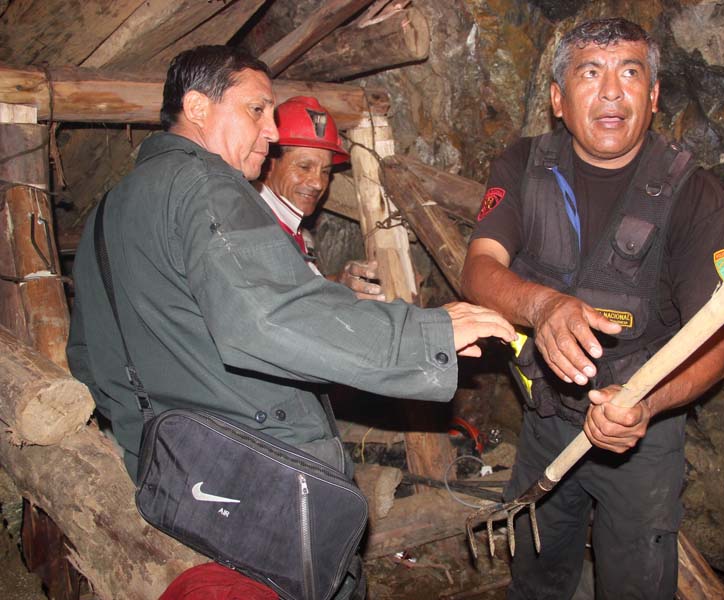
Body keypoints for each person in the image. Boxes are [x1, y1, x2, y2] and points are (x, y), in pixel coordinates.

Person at [66, 45, 514, 599]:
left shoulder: (104, 215)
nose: (273, 131)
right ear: (198, 107)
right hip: (261, 485)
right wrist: (429, 332)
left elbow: (88, 359)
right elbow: (266, 316)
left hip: (167, 480)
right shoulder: (208, 187)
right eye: (257, 110)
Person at [461, 18, 724, 600]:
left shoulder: (694, 195)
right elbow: (478, 268)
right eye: (590, 73)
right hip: (544, 419)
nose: (612, 92)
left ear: (654, 95)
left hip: (640, 436)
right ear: (558, 99)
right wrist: (541, 306)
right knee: (536, 573)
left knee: (636, 583)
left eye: (630, 73)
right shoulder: (523, 166)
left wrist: (646, 403)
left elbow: (721, 342)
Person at [254, 95, 384, 300]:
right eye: (304, 167)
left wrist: (341, 282)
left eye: (325, 171)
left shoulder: (292, 231)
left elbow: (300, 293)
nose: (318, 183)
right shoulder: (256, 234)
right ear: (269, 163)